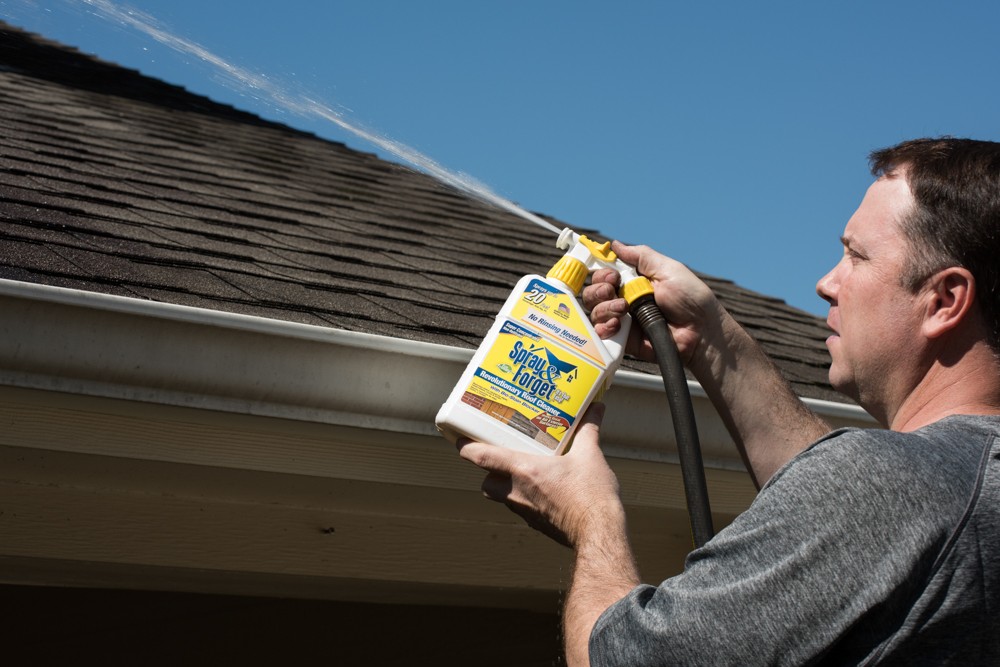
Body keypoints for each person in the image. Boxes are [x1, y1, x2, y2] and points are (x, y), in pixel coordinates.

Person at [457, 137, 1000, 665]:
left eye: (855, 256)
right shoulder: (957, 490)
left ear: (944, 300)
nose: (825, 283)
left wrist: (589, 520)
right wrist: (710, 339)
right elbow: (850, 508)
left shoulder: (887, 488)